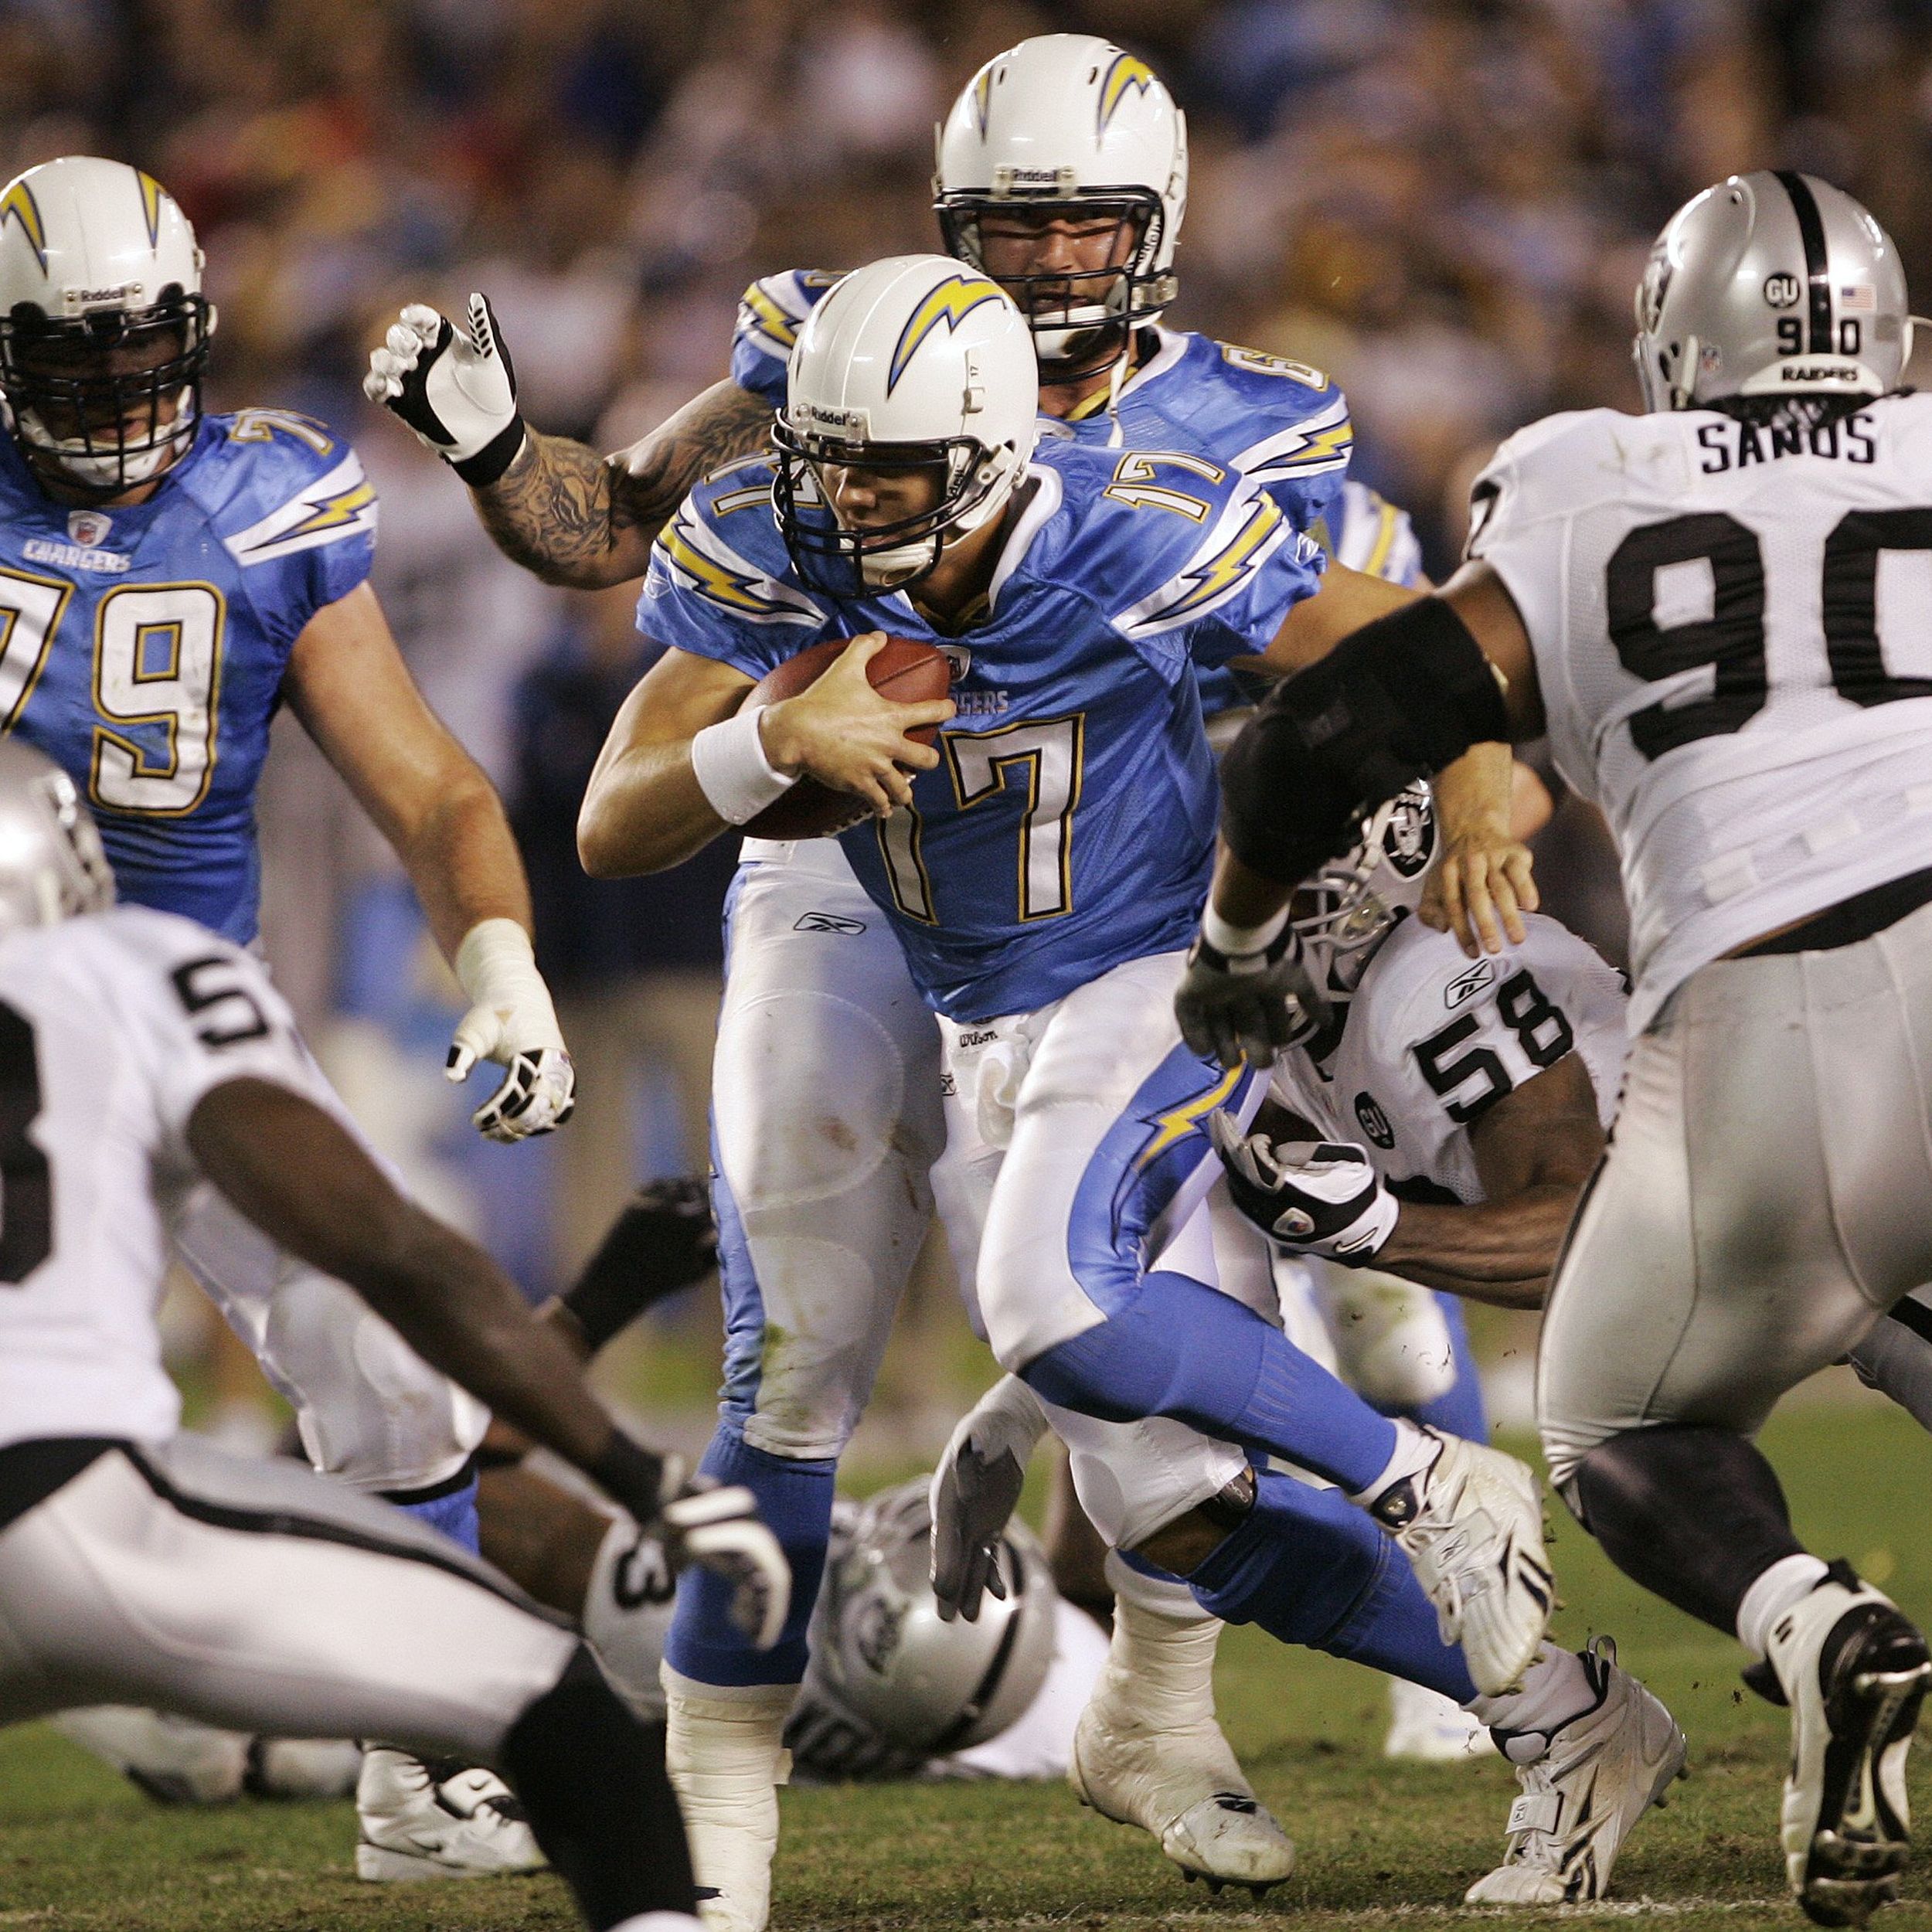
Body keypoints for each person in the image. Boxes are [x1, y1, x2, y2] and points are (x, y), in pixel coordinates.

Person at [362, 36, 1528, 1910]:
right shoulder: (827, 354)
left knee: (1145, 1368)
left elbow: (1365, 633)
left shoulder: (1240, 427)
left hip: (1101, 899)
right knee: (800, 1344)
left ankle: (1239, 1693)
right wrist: (509, 459)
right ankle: (713, 1852)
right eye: (1009, 226)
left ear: (1150, 229)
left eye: (1082, 225)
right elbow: (616, 543)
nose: (1051, 262)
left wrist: (1444, 779)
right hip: (840, 857)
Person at [576, 253, 1676, 1923]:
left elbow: (1425, 648)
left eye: (881, 464)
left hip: (1144, 979)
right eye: (821, 452)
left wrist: (1470, 781)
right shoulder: (773, 539)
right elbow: (613, 817)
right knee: (1162, 1502)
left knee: (1033, 1292)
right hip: (968, 1014)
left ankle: (1423, 1473)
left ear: (988, 456)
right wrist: (765, 751)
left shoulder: (1134, 521)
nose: (836, 492)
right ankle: (1563, 1714)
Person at [1179, 169, 1932, 1929]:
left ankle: (1808, 1625)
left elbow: (1317, 738)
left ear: (1671, 347)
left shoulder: (1589, 476)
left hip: (1766, 987)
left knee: (1612, 1415)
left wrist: (1229, 944)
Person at [0, 153, 577, 1874]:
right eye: (71, 359)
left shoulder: (268, 498)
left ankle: (418, 1765)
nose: (113, 393)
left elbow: (431, 790)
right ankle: (144, 1688)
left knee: (386, 1352)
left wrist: (498, 959)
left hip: (190, 1009)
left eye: (136, 351)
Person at [0, 738, 791, 1932]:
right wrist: (636, 1472)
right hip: (74, 1510)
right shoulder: (135, 966)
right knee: (561, 1712)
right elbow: (387, 1252)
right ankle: (413, 1797)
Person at [933, 783, 1682, 1903]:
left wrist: (1381, 1228)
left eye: (1277, 871)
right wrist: (1023, 1400)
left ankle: (1559, 1697)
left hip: (1741, 1253)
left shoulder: (1437, 985)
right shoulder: (1242, 992)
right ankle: (1560, 1713)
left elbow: (1596, 1230)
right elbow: (1123, 1262)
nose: (1237, 895)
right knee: (1175, 1497)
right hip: (1644, 1262)